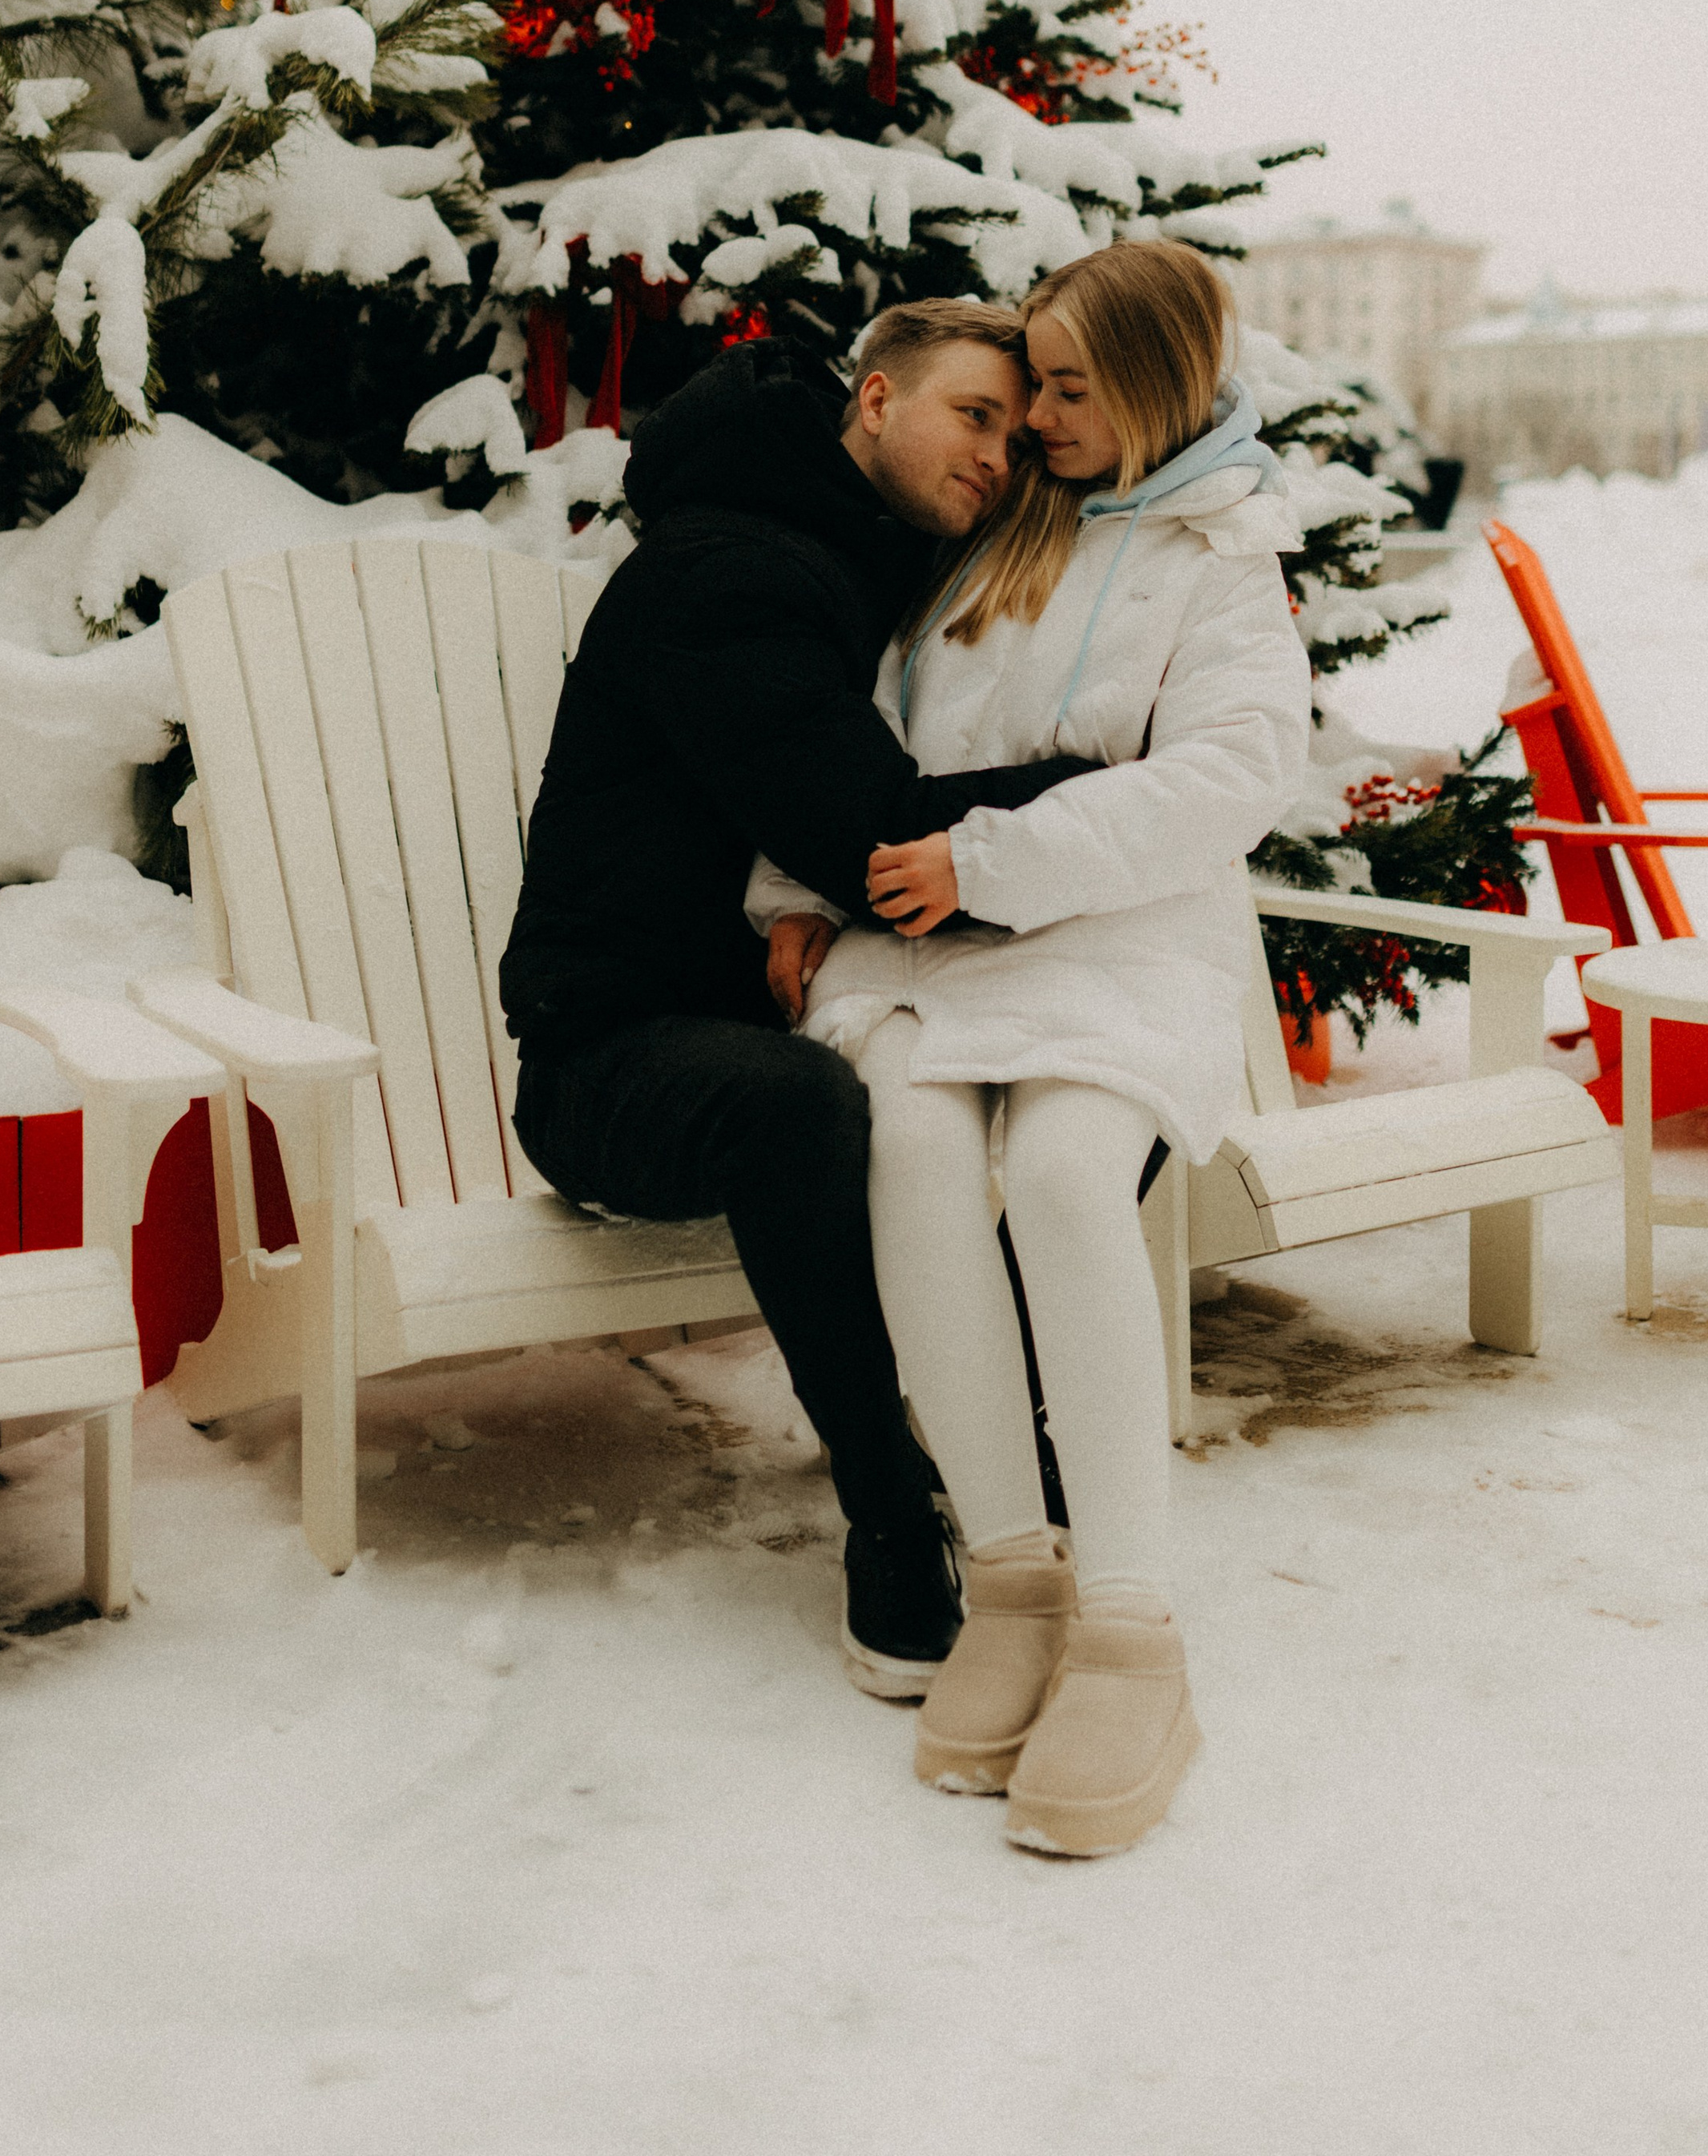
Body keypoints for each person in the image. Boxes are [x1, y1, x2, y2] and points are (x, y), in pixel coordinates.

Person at [752, 244, 1312, 1857]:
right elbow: (857, 725)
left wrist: (993, 862)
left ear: (1154, 385)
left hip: (1118, 929)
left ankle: (1129, 1631)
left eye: (1069, 389)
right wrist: (794, 890)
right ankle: (1012, 1576)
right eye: (1031, 387)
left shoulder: (1222, 556)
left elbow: (1227, 775)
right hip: (936, 934)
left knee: (1067, 1177)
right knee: (914, 1152)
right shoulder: (1002, 527)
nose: (1038, 418)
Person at [499, 304, 1103, 1698]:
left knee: (1068, 1058)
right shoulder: (733, 573)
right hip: (612, 1067)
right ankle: (891, 1518)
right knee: (799, 1104)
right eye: (974, 416)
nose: (999, 456)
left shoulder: (863, 566)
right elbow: (872, 831)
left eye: (1017, 438)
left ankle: (1001, 1436)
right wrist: (1124, 790)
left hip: (773, 1019)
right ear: (876, 399)